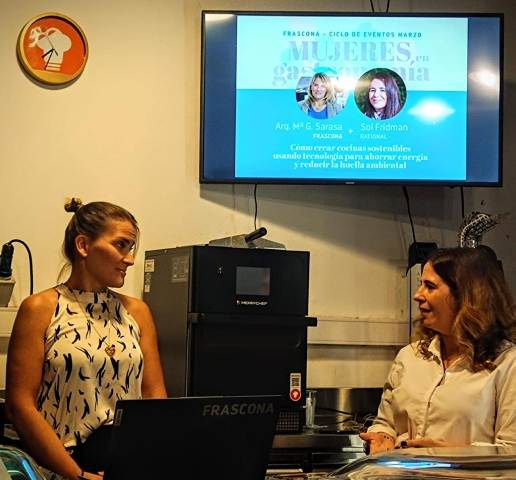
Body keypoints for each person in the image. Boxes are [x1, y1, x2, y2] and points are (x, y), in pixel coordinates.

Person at [6, 198, 167, 479]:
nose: (129, 258)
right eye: (121, 245)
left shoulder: (137, 312)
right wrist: (76, 475)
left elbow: (155, 400)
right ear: (83, 245)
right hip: (61, 465)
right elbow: (20, 405)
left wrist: (145, 462)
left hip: (125, 465)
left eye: (130, 248)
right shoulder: (40, 309)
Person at [360, 247, 516, 454]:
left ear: (465, 296)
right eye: (420, 284)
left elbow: (511, 451)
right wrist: (382, 436)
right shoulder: (409, 356)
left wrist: (450, 453)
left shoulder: (508, 363)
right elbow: (385, 422)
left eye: (430, 287)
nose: (418, 295)